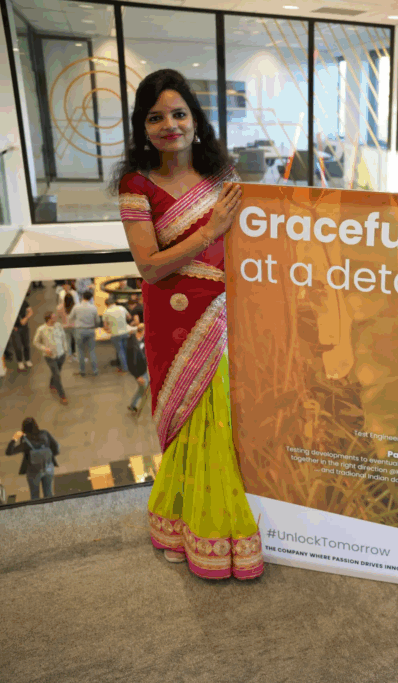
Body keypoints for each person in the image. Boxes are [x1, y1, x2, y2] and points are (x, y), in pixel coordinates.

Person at [112, 68, 261, 580]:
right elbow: (150, 266)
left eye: (179, 114)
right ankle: (186, 524)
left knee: (221, 427)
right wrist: (210, 231)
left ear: (196, 120)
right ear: (142, 127)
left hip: (225, 314)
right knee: (187, 423)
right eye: (156, 117)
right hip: (173, 322)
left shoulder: (224, 177)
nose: (169, 125)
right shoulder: (136, 187)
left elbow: (250, 244)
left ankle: (210, 528)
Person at [5, 417, 60, 501]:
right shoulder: (45, 434)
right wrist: (47, 457)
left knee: (35, 496)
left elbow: (9, 452)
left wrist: (14, 438)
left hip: (33, 471)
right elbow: (56, 447)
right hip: (48, 467)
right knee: (49, 495)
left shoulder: (25, 441)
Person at [33, 311, 70, 404]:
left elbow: (63, 337)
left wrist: (65, 349)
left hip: (61, 354)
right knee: (57, 375)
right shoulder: (41, 329)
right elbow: (36, 342)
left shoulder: (58, 326)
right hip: (50, 356)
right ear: (49, 319)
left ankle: (51, 384)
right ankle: (62, 396)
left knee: (57, 372)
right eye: (54, 317)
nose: (56, 318)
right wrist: (45, 349)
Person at [71, 289, 100, 376]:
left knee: (80, 351)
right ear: (91, 298)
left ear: (82, 297)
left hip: (79, 330)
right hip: (90, 330)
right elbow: (97, 321)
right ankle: (95, 370)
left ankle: (82, 370)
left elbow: (71, 317)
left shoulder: (76, 307)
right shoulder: (93, 308)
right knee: (92, 351)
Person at [103, 296, 133, 374]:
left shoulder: (106, 312)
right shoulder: (122, 308)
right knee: (126, 350)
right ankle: (131, 366)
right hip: (125, 332)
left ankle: (125, 368)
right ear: (114, 302)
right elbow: (129, 317)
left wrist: (109, 328)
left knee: (120, 351)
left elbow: (105, 326)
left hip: (115, 334)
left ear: (106, 304)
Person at [126, 323, 150, 413]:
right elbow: (131, 363)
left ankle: (133, 405)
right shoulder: (131, 344)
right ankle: (133, 405)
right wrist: (137, 376)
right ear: (141, 332)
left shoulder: (142, 339)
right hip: (139, 371)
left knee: (143, 388)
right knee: (143, 388)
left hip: (143, 368)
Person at [10, 299, 34, 371]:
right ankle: (20, 361)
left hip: (24, 326)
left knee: (26, 344)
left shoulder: (23, 302)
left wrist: (25, 318)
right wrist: (12, 326)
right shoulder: (9, 304)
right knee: (17, 346)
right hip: (15, 328)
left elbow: (30, 311)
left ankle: (27, 359)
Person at [57, 291, 78, 358]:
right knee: (76, 341)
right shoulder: (76, 307)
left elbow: (59, 316)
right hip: (75, 326)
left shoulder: (59, 307)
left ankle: (69, 355)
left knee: (68, 341)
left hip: (65, 326)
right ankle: (76, 354)